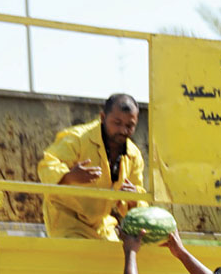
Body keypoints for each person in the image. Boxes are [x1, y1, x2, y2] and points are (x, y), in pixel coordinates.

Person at [38, 93, 146, 240]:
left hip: (101, 225)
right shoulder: (77, 138)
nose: (122, 130)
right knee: (81, 257)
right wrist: (69, 177)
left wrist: (133, 200)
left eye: (129, 125)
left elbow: (138, 198)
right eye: (117, 123)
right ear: (102, 117)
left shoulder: (133, 156)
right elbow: (47, 166)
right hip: (68, 222)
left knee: (119, 258)